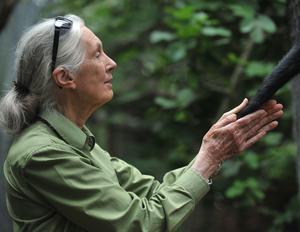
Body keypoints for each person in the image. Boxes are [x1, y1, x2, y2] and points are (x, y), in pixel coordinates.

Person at [0, 15, 283, 232]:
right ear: (65, 78)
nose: (112, 63)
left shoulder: (73, 138)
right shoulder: (43, 154)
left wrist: (213, 149)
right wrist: (210, 156)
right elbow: (141, 223)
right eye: (97, 54)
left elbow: (153, 194)